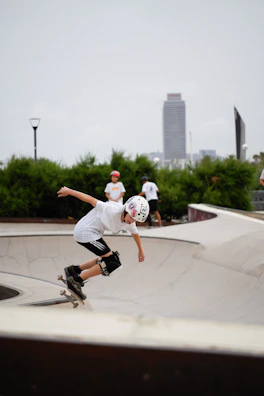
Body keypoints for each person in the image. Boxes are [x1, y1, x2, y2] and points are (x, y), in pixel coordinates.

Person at [57, 186, 149, 300]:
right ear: (126, 210)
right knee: (113, 263)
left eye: (136, 220)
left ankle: (74, 270)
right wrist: (69, 191)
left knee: (109, 260)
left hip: (94, 234)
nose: (132, 221)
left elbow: (135, 233)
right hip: (84, 232)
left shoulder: (130, 222)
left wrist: (140, 250)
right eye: (131, 217)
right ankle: (75, 281)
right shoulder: (110, 209)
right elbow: (89, 199)